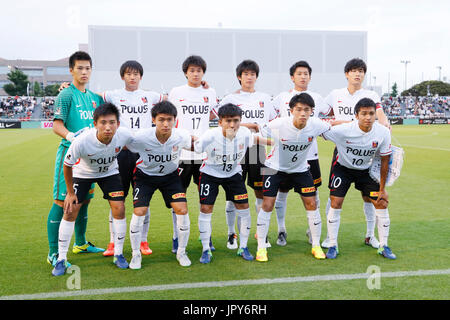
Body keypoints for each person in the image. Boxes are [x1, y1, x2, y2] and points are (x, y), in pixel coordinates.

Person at [52, 103, 134, 276]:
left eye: (112, 122)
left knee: (119, 208)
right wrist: (70, 193)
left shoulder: (124, 135)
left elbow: (141, 142)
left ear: (118, 124)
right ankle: (61, 259)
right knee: (70, 210)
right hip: (83, 174)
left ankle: (118, 254)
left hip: (110, 173)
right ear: (95, 123)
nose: (108, 127)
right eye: (103, 122)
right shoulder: (82, 141)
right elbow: (67, 166)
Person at [321, 58, 390, 249]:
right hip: (344, 145)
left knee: (370, 197)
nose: (357, 74)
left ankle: (370, 236)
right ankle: (329, 237)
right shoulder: (336, 94)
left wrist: (385, 123)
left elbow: (380, 114)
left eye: (361, 71)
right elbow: (321, 115)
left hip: (367, 150)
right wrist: (343, 125)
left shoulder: (370, 94)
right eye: (353, 70)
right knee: (335, 197)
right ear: (346, 74)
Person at [255, 93, 331, 262]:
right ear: (291, 110)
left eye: (306, 109)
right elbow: (260, 132)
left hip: (300, 169)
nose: (302, 113)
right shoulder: (278, 124)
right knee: (267, 203)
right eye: (298, 109)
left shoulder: (316, 125)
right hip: (273, 168)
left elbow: (333, 131)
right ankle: (261, 247)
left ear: (312, 111)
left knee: (312, 203)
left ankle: (316, 245)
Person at [46, 51, 105, 268]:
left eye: (87, 68)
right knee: (63, 202)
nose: (84, 72)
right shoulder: (66, 95)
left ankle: (80, 243)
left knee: (85, 200)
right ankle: (53, 253)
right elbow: (57, 125)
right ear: (71, 70)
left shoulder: (95, 98)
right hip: (69, 155)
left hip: (89, 158)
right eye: (79, 68)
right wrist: (72, 137)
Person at [194, 103, 271, 263]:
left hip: (233, 174)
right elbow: (195, 147)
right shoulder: (210, 135)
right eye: (228, 121)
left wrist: (275, 142)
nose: (232, 125)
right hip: (210, 174)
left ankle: (243, 247)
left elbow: (255, 139)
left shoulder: (243, 133)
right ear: (220, 121)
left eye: (236, 120)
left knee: (244, 208)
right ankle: (206, 250)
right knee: (206, 208)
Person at [101, 60, 163, 257]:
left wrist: (202, 85)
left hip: (143, 152)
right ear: (122, 76)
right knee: (116, 198)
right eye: (128, 74)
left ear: (141, 76)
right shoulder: (113, 95)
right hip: (120, 152)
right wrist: (68, 86)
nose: (132, 77)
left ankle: (143, 241)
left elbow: (175, 99)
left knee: (142, 199)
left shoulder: (151, 96)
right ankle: (112, 242)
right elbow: (91, 97)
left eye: (136, 74)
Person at [216, 59, 278, 250]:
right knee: (233, 194)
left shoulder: (265, 98)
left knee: (261, 193)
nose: (249, 77)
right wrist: (249, 125)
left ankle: (262, 233)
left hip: (258, 150)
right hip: (235, 149)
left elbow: (272, 123)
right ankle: (231, 234)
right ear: (239, 77)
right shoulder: (229, 99)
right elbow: (222, 123)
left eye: (252, 74)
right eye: (245, 74)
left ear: (256, 77)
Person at [126, 101, 193, 268]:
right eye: (161, 119)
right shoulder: (141, 136)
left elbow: (195, 143)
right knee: (140, 210)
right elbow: (123, 145)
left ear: (175, 120)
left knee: (182, 209)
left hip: (170, 177)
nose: (165, 124)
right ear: (153, 120)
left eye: (169, 119)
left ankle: (182, 252)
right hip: (145, 177)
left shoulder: (181, 136)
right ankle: (135, 254)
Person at [272, 60, 330, 246]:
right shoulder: (281, 98)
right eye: (299, 73)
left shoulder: (318, 98)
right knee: (282, 192)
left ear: (310, 77)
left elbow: (330, 115)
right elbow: (271, 118)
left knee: (313, 194)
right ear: (292, 77)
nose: (303, 77)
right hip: (284, 155)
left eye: (306, 73)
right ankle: (281, 229)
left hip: (310, 154)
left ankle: (311, 229)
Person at [168, 55, 218, 254]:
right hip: (181, 153)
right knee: (178, 197)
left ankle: (206, 235)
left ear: (203, 73)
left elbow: (214, 115)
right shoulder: (176, 92)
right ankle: (176, 236)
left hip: (204, 155)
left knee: (205, 198)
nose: (196, 74)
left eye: (199, 70)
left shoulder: (210, 92)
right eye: (192, 70)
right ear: (185, 72)